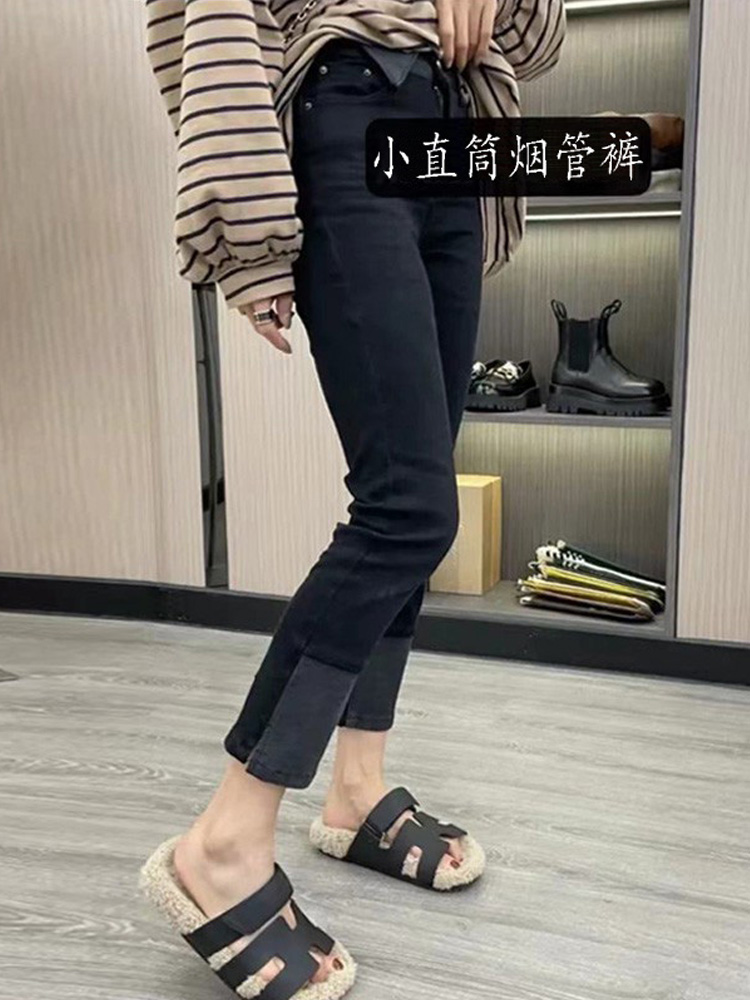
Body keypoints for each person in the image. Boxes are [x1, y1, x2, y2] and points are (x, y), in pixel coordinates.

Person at [139, 2, 565, 998]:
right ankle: (224, 841)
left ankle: (357, 787)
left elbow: (537, 40)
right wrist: (246, 230)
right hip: (346, 108)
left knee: (418, 484)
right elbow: (205, 20)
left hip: (453, 134)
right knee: (408, 508)